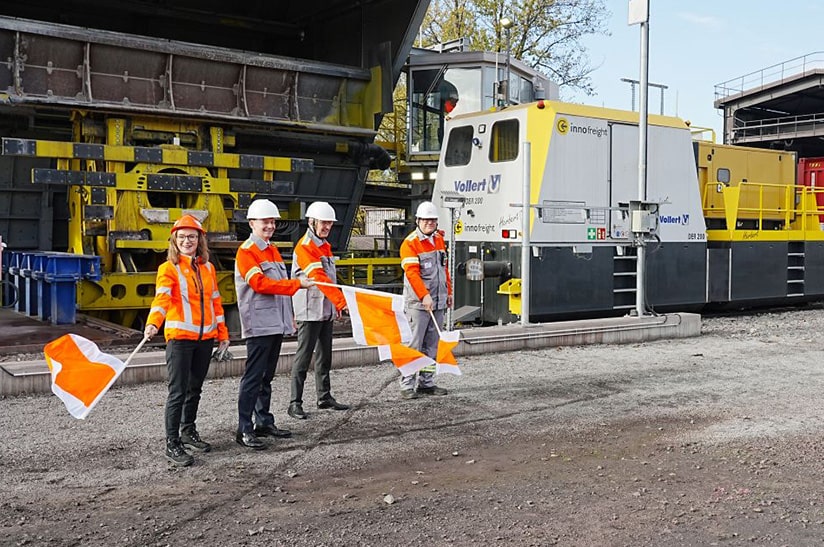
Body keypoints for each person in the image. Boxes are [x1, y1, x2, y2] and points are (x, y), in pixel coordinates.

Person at [144, 214, 230, 467]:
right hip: (180, 340)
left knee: (195, 389)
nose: (187, 241)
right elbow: (161, 299)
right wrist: (152, 324)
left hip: (204, 339)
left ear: (199, 240)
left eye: (192, 236)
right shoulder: (168, 269)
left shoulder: (207, 268)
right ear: (174, 240)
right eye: (182, 237)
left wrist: (222, 335)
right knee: (178, 392)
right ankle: (172, 442)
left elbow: (215, 302)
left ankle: (188, 431)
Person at [234, 199, 313, 450]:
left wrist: (286, 314)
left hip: (274, 323)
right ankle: (244, 428)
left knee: (266, 376)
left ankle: (263, 421)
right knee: (254, 377)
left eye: (272, 221)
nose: (270, 225)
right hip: (259, 323)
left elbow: (276, 286)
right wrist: (297, 286)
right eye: (265, 221)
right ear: (252, 223)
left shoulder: (271, 249)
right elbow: (260, 285)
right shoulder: (246, 252)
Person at [288, 201, 349, 419]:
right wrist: (341, 302)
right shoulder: (305, 247)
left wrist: (334, 304)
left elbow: (329, 280)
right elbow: (320, 279)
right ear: (312, 222)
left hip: (324, 309)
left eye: (329, 224)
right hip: (309, 309)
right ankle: (294, 403)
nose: (327, 227)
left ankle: (324, 396)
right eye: (323, 223)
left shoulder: (324, 246)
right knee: (304, 357)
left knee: (325, 355)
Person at [398, 201, 453, 399]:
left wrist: (448, 292)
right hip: (419, 304)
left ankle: (426, 383)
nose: (430, 223)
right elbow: (412, 275)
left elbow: (443, 269)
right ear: (418, 221)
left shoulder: (438, 240)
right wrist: (424, 296)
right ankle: (406, 384)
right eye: (426, 220)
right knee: (414, 344)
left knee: (432, 344)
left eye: (433, 220)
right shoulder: (410, 244)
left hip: (437, 301)